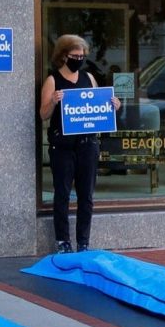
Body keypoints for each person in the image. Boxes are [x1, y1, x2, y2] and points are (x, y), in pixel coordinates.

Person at [38, 33, 104, 255]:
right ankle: (63, 241)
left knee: (86, 195)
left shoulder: (89, 78)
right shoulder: (53, 80)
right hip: (63, 147)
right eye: (75, 55)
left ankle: (83, 242)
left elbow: (99, 106)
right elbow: (43, 114)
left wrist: (113, 105)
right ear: (64, 55)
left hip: (87, 144)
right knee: (63, 194)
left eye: (82, 55)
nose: (80, 58)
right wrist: (54, 102)